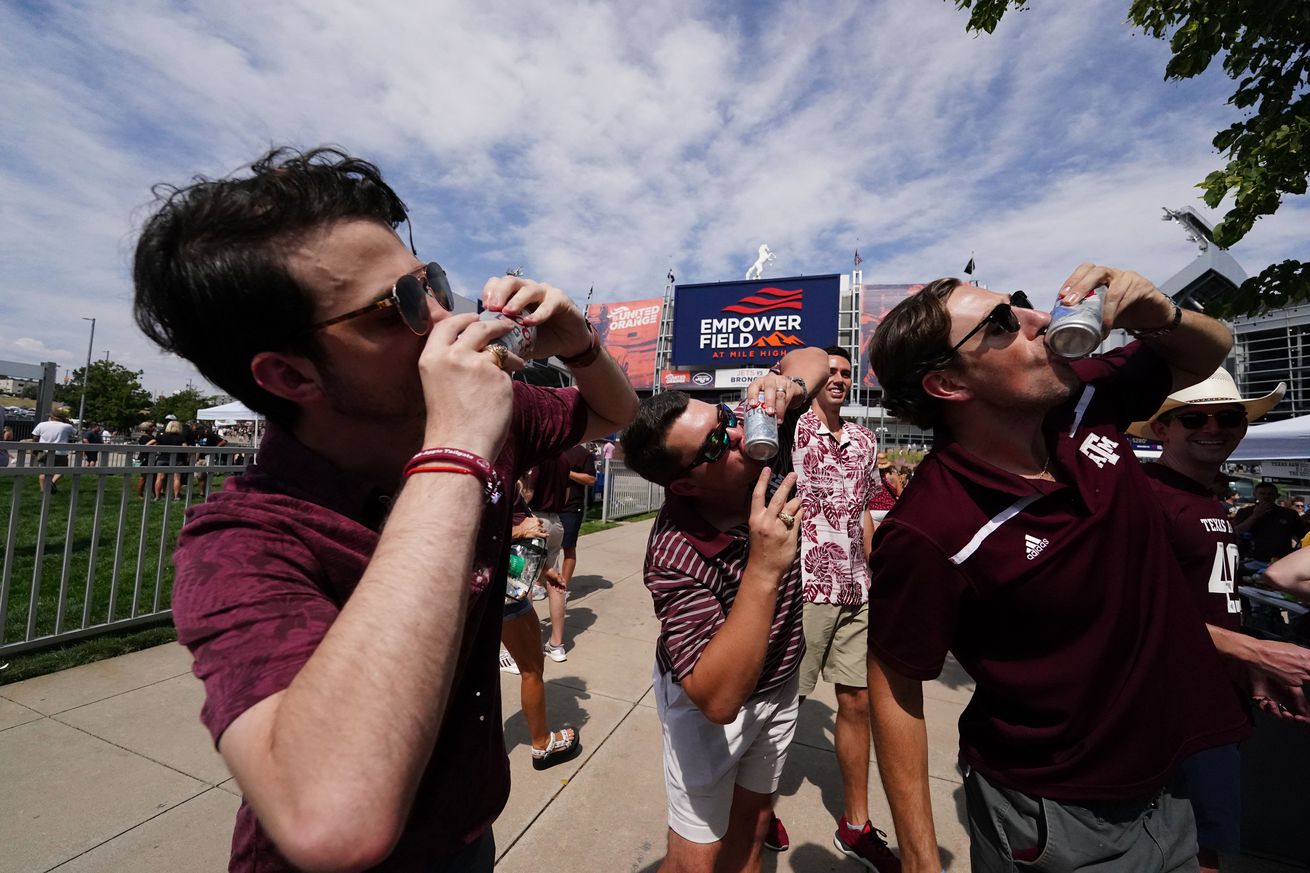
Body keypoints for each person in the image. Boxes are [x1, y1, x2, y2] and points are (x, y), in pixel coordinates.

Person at [131, 146, 638, 873]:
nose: (440, 315)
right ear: (291, 373)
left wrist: (582, 344)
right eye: (396, 305)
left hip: (467, 831)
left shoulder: (491, 417)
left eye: (429, 280)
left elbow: (607, 415)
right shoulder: (241, 542)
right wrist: (457, 448)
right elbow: (332, 822)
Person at [864, 264, 1251, 873]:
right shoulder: (930, 528)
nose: (1040, 319)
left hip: (1174, 774)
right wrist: (920, 860)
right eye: (1000, 323)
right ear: (947, 384)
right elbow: (894, 683)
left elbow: (1209, 352)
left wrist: (1160, 313)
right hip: (1056, 816)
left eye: (1020, 303)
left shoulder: (1086, 399)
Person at [620, 346, 838, 873]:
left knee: (755, 826)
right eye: (718, 442)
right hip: (710, 712)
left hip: (780, 681)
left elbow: (812, 356)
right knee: (696, 858)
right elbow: (715, 699)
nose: (740, 434)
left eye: (728, 419)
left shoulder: (758, 453)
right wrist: (764, 571)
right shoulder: (675, 553)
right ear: (687, 485)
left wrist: (785, 385)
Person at [1127, 368, 1310, 871]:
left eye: (1228, 416)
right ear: (1162, 429)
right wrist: (1255, 651)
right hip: (1165, 708)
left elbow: (1206, 599)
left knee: (1205, 845)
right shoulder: (1144, 497)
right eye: (1194, 418)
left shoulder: (1209, 498)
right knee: (1187, 853)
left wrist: (1245, 663)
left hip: (1215, 702)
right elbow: (1127, 606)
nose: (1214, 427)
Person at [786, 344, 899, 869]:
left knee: (856, 704)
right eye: (829, 372)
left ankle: (856, 824)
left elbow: (867, 513)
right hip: (802, 587)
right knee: (785, 704)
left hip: (856, 588)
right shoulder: (789, 426)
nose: (837, 379)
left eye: (845, 374)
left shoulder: (863, 438)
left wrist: (881, 574)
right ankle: (756, 809)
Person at [527, 442, 597, 661]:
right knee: (555, 582)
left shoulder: (538, 456)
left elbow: (527, 492)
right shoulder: (563, 459)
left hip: (534, 521)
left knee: (523, 583)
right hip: (555, 520)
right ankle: (556, 643)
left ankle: (524, 647)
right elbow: (565, 493)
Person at [1233, 481, 1303, 563]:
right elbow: (1235, 532)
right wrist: (1255, 516)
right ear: (1255, 495)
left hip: (1280, 560)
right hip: (1250, 559)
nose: (1266, 497)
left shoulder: (1289, 514)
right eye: (1262, 493)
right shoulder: (1245, 512)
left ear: (1276, 496)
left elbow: (1302, 535)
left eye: (1270, 494)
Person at [31, 412, 76, 492]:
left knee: (43, 471)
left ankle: (43, 490)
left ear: (51, 417)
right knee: (62, 470)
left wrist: (35, 448)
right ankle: (52, 482)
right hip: (60, 452)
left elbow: (35, 437)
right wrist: (68, 423)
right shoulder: (67, 426)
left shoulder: (42, 424)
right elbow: (76, 433)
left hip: (44, 451)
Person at [148, 419, 189, 499]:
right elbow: (185, 448)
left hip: (163, 458)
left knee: (159, 477)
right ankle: (176, 496)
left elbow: (151, 443)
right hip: (177, 459)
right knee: (177, 478)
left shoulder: (161, 435)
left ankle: (157, 496)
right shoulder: (180, 437)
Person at [134, 421, 156, 498]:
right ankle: (140, 494)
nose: (153, 428)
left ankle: (154, 492)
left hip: (152, 457)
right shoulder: (144, 438)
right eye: (151, 426)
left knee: (154, 476)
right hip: (145, 458)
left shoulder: (152, 437)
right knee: (143, 477)